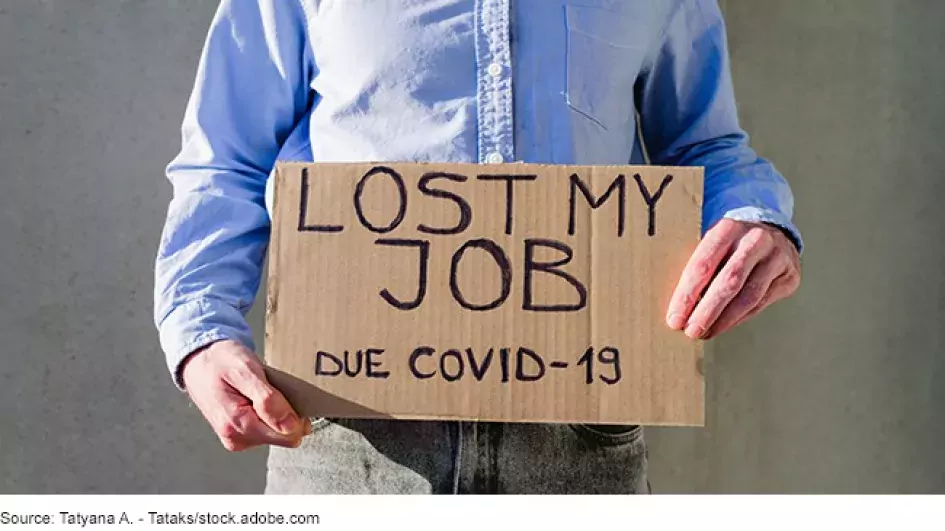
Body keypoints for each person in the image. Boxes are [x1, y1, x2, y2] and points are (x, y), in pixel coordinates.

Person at [153, 0, 802, 494]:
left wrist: (752, 217)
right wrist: (201, 335)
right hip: (349, 435)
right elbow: (226, 160)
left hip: (580, 435)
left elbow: (703, 147)